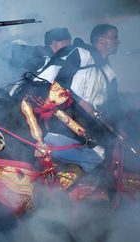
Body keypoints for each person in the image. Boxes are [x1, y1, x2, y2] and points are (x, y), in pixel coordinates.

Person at [35, 24, 122, 173]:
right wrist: (81, 102)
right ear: (102, 41)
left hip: (88, 124)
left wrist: (117, 128)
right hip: (64, 117)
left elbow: (113, 106)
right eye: (114, 38)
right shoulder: (80, 54)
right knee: (97, 154)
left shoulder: (110, 73)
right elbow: (59, 85)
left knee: (104, 152)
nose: (118, 42)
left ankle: (67, 183)